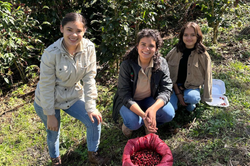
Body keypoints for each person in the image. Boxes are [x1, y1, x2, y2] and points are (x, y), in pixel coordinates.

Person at [33, 12, 108, 166]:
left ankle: (93, 155)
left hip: (72, 94)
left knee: (94, 121)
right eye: (69, 29)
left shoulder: (89, 48)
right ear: (61, 29)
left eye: (79, 31)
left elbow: (89, 78)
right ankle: (56, 161)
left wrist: (91, 107)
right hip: (48, 99)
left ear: (84, 31)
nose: (74, 35)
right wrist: (50, 113)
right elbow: (46, 86)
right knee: (53, 130)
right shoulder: (50, 53)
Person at [112, 29, 175, 138]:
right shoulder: (127, 65)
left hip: (149, 99)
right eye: (143, 44)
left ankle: (149, 123)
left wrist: (153, 109)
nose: (147, 49)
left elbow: (166, 89)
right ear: (137, 46)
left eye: (151, 46)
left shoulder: (161, 63)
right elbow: (124, 94)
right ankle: (134, 123)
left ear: (156, 49)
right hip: (130, 101)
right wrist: (143, 116)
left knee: (169, 114)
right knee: (133, 122)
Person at [166, 22, 212, 112]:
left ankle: (188, 100)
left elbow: (208, 76)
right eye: (186, 35)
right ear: (182, 36)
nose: (189, 38)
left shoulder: (203, 55)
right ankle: (179, 98)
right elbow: (166, 72)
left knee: (192, 98)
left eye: (192, 35)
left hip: (192, 86)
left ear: (198, 37)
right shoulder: (175, 51)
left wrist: (206, 96)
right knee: (172, 109)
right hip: (174, 86)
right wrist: (178, 94)